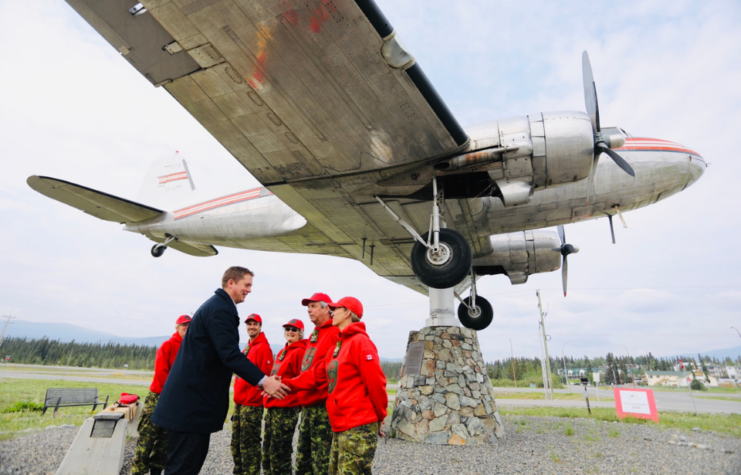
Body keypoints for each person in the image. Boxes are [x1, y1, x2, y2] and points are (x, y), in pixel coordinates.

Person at [152, 266, 290, 475]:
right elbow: (230, 355)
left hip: (190, 406)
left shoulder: (218, 306)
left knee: (184, 465)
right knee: (182, 468)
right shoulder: (220, 309)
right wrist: (264, 381)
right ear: (231, 282)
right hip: (191, 406)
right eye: (247, 285)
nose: (249, 290)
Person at [325, 297, 387, 475]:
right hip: (341, 426)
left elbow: (376, 383)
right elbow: (317, 376)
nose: (332, 312)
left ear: (347, 313)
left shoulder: (360, 342)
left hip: (358, 426)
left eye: (336, 309)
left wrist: (381, 415)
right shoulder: (339, 345)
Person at [281, 293, 340, 475]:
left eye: (313, 306)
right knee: (303, 460)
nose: (309, 310)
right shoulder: (316, 332)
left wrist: (291, 385)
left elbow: (325, 372)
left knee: (320, 462)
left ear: (326, 308)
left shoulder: (334, 332)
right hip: (307, 406)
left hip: (321, 408)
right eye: (308, 307)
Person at [131, 314, 191, 475]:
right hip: (159, 398)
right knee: (147, 438)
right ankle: (138, 471)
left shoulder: (190, 347)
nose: (186, 327)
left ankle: (156, 471)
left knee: (165, 440)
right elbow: (161, 375)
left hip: (176, 401)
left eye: (189, 324)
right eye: (183, 324)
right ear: (177, 327)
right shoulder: (168, 345)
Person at [262, 319, 307, 475]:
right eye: (288, 329)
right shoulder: (283, 351)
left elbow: (301, 381)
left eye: (294, 329)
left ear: (301, 332)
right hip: (273, 408)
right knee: (267, 453)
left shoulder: (300, 352)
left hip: (286, 409)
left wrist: (297, 404)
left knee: (280, 455)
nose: (290, 331)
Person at [231, 314, 273, 475]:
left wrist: (257, 399)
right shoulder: (249, 347)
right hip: (240, 404)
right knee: (236, 446)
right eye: (249, 324)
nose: (252, 327)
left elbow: (265, 376)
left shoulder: (262, 347)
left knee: (249, 448)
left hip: (251, 405)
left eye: (255, 324)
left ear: (260, 326)